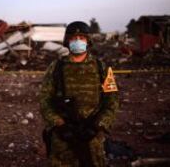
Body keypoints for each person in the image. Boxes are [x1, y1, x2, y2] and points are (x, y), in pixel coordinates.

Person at [40, 21, 119, 167]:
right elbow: (45, 101)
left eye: (81, 38)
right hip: (63, 137)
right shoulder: (56, 67)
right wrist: (59, 125)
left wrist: (98, 125)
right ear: (67, 41)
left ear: (88, 41)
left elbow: (112, 101)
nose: (77, 41)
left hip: (92, 137)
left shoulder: (101, 67)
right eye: (73, 38)